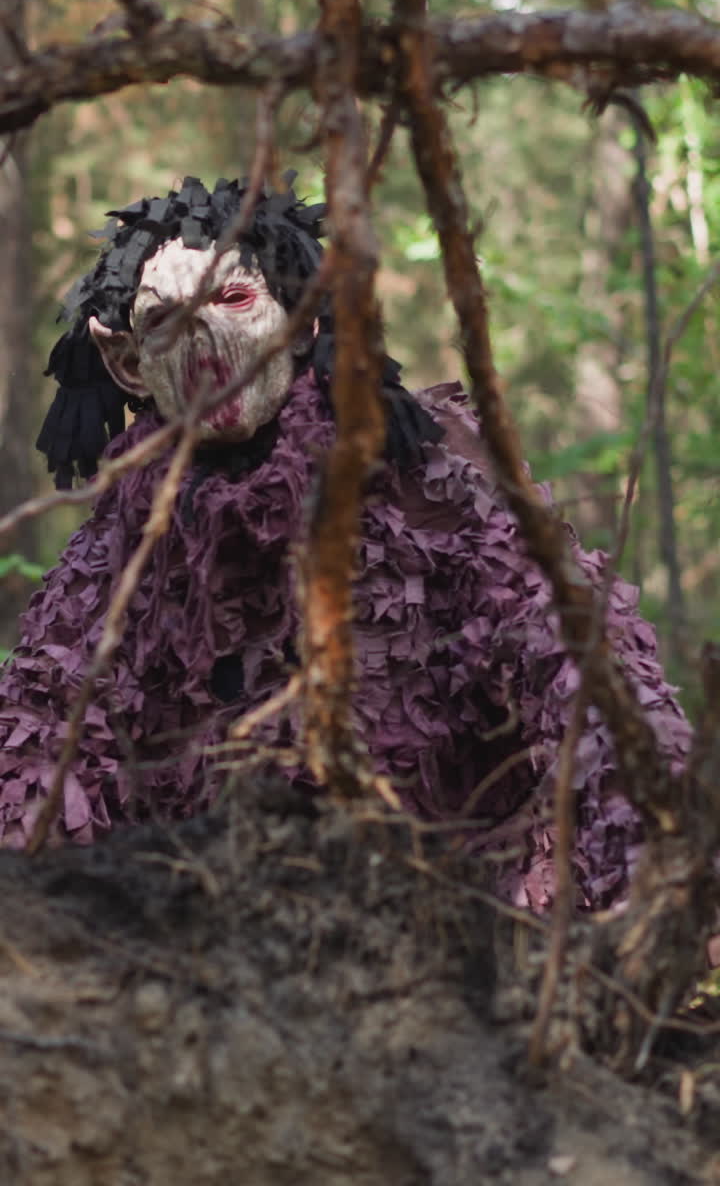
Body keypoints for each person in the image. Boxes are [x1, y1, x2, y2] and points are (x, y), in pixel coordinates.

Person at [0, 174, 691, 910]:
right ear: (128, 363)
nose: (208, 346)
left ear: (303, 323)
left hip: (454, 928)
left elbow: (579, 656)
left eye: (234, 301)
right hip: (218, 945)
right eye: (166, 322)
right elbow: (46, 734)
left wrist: (661, 857)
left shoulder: (424, 467)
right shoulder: (123, 535)